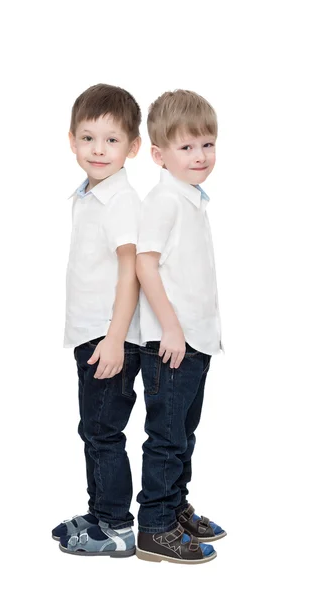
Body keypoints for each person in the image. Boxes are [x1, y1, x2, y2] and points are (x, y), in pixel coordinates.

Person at [135, 90, 227, 564]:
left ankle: (173, 508)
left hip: (197, 341)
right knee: (167, 436)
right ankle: (154, 527)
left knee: (184, 433)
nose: (200, 156)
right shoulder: (164, 199)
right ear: (159, 155)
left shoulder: (191, 198)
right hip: (172, 343)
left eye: (207, 144)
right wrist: (171, 328)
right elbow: (145, 265)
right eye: (187, 147)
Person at [52, 84, 142, 557]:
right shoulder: (89, 195)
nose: (99, 150)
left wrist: (115, 338)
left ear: (133, 147)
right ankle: (100, 511)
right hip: (92, 334)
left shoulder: (121, 201)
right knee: (93, 428)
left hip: (111, 338)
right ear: (72, 141)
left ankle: (117, 528)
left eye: (111, 140)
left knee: (104, 431)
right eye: (88, 138)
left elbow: (132, 272)